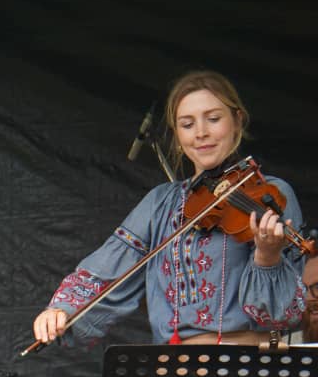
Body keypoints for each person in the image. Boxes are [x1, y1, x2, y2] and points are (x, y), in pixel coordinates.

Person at [33, 70, 306, 348]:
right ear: (177, 135)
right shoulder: (161, 202)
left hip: (249, 361)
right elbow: (108, 267)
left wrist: (267, 256)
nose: (201, 133)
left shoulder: (270, 194)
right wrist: (62, 309)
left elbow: (281, 316)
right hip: (177, 367)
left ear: (237, 121)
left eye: (213, 119)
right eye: (187, 124)